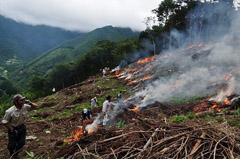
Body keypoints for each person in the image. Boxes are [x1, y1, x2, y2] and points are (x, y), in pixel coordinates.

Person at [1, 94, 38, 158]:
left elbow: (36, 106)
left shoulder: (25, 107)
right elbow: (5, 122)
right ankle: (11, 153)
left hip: (22, 127)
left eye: (23, 100)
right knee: (12, 145)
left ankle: (16, 154)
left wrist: (30, 103)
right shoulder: (10, 111)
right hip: (13, 129)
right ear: (16, 102)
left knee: (22, 143)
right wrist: (12, 130)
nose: (23, 101)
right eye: (21, 100)